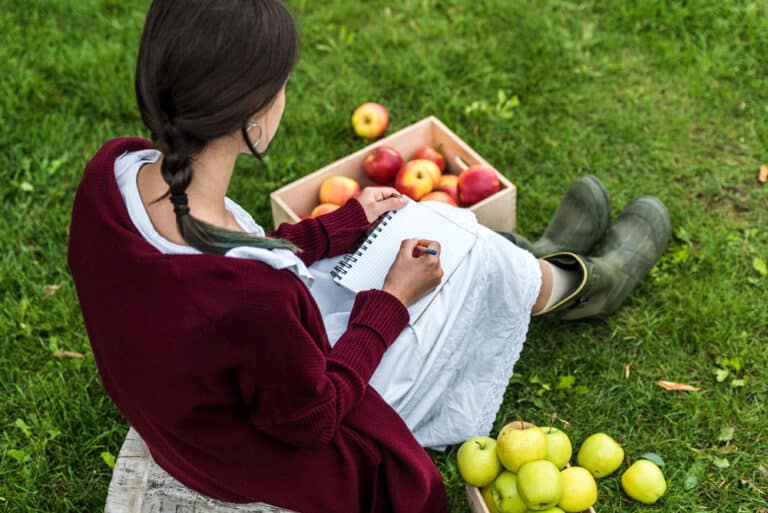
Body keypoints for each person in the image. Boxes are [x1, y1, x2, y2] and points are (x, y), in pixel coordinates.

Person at [66, 1, 671, 512]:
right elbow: (313, 419)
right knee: (442, 238)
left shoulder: (114, 175)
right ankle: (572, 283)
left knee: (421, 225)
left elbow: (214, 269)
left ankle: (532, 270)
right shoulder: (252, 297)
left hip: (204, 395)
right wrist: (390, 303)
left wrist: (338, 227)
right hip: (264, 448)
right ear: (254, 116)